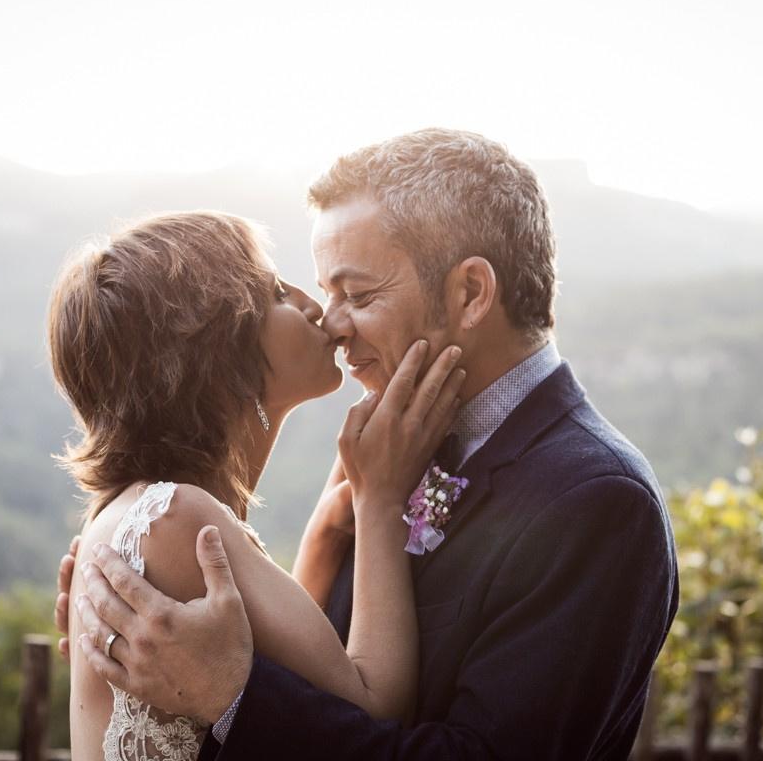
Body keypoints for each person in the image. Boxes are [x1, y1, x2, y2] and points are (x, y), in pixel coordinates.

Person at [58, 129, 681, 760]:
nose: (330, 322)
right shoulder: (385, 456)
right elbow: (332, 672)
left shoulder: (598, 502)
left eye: (356, 295)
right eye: (323, 292)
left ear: (469, 293)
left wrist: (231, 691)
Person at [46, 211, 466, 760]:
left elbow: (285, 666)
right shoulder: (178, 517)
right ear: (216, 348)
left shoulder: (134, 512)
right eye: (275, 292)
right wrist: (380, 500)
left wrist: (320, 540)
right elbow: (368, 709)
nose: (315, 308)